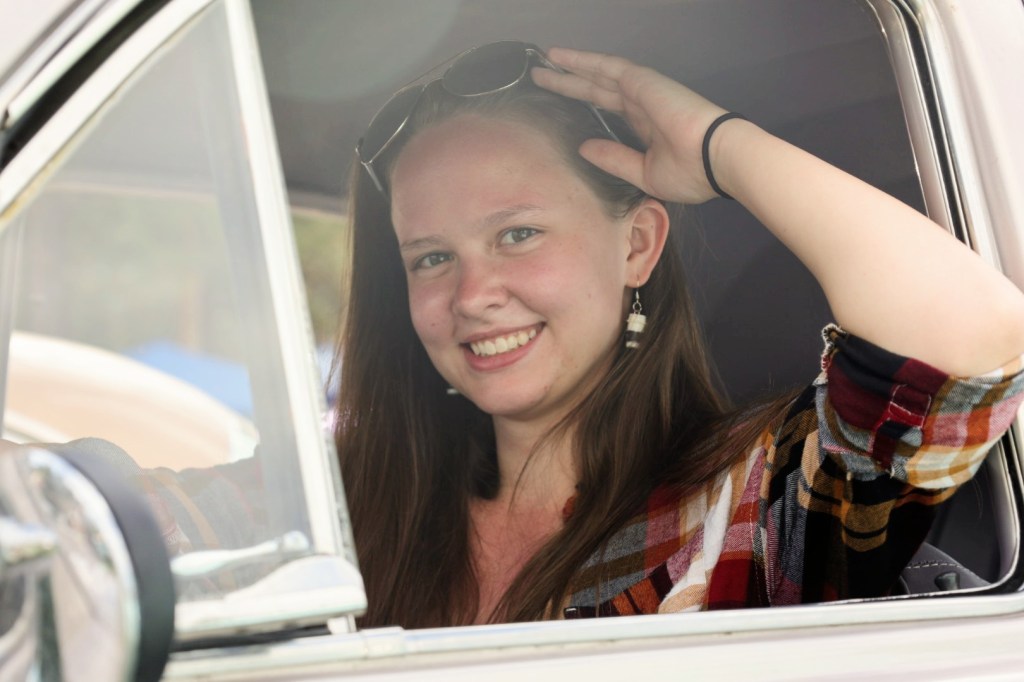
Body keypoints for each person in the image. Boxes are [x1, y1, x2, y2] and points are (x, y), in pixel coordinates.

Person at [334, 41, 1024, 628]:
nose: (473, 295)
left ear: (637, 244)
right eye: (431, 257)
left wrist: (718, 146)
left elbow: (971, 337)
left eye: (518, 234)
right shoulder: (351, 511)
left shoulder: (746, 505)